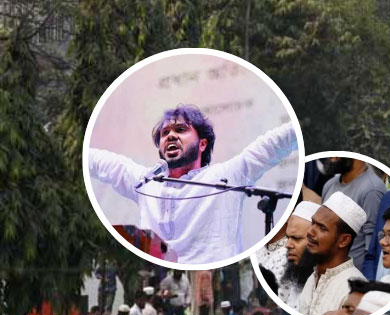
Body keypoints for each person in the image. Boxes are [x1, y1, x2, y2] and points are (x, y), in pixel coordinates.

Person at [88, 105, 299, 263]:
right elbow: (98, 161)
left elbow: (278, 141)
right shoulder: (147, 182)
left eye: (180, 129)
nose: (170, 135)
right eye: (165, 133)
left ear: (202, 143)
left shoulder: (227, 175)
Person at [297, 192, 369, 315]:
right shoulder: (313, 277)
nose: (310, 232)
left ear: (343, 240)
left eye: (322, 228)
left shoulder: (355, 290)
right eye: (312, 223)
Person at [320, 157, 386, 272]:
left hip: (351, 277)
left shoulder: (372, 190)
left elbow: (372, 248)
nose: (333, 156)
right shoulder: (329, 185)